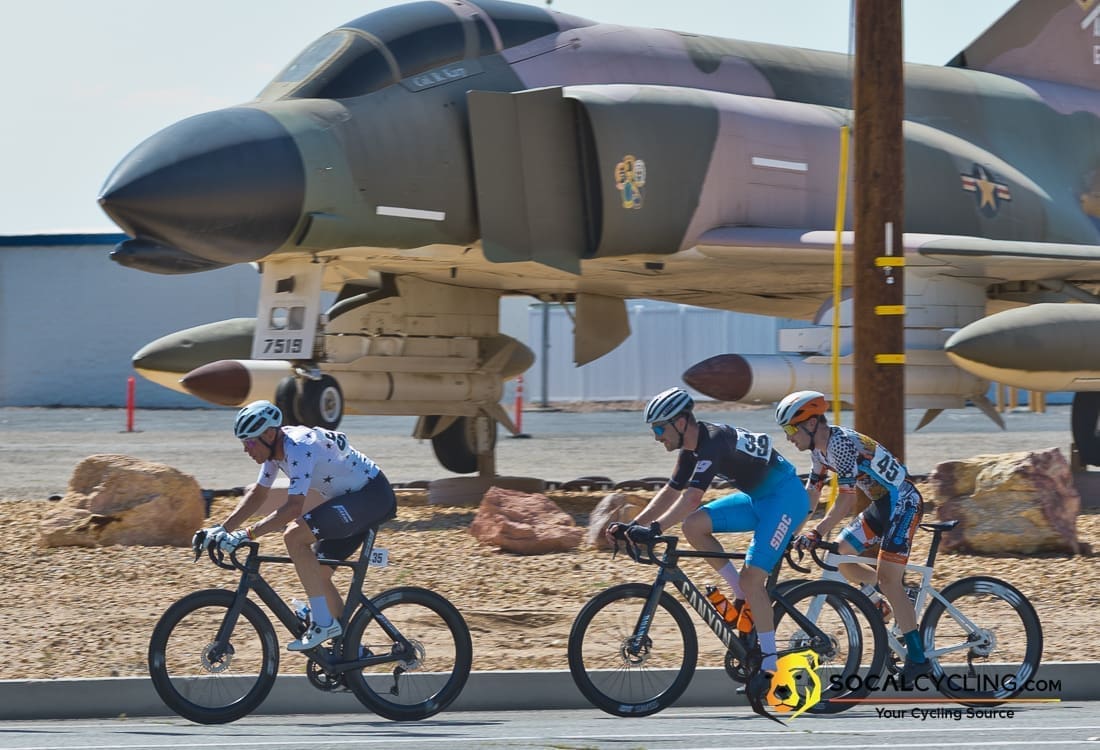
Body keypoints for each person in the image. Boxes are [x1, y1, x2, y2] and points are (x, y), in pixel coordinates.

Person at [607, 387, 811, 679]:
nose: (656, 436)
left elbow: (691, 498)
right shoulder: (691, 449)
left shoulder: (713, 441)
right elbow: (671, 491)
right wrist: (634, 526)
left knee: (754, 579)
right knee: (694, 525)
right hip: (758, 500)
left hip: (785, 499)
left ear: (680, 422)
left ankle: (769, 664)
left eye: (659, 428)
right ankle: (739, 589)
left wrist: (654, 529)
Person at [195, 400, 397, 652]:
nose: (246, 449)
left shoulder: (299, 447)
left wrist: (246, 534)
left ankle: (323, 622)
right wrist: (222, 529)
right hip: (351, 501)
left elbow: (293, 508)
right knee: (319, 575)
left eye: (249, 442)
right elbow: (258, 494)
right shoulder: (274, 452)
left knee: (294, 535)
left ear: (269, 434)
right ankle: (349, 650)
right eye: (243, 443)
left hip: (371, 497)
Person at [775, 390, 931, 681]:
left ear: (811, 424)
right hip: (882, 505)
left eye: (790, 429)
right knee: (841, 557)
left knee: (888, 578)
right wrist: (790, 534)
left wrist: (817, 530)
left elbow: (845, 500)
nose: (788, 437)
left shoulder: (841, 444)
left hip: (904, 503)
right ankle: (887, 600)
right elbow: (812, 495)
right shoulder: (819, 451)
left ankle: (918, 658)